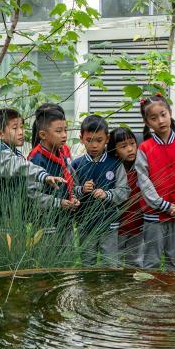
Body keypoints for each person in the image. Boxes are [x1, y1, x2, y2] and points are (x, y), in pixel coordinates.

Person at [134, 94, 175, 272]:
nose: (160, 121)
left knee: (174, 261)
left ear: (170, 113)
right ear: (147, 122)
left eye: (163, 114)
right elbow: (144, 181)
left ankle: (174, 291)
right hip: (154, 215)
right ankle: (151, 291)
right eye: (153, 118)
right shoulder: (145, 148)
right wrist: (162, 205)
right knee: (151, 262)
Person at [72, 114, 129, 267]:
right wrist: (81, 189)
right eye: (89, 140)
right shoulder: (76, 164)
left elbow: (124, 191)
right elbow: (70, 191)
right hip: (85, 224)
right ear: (81, 138)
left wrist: (107, 194)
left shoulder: (115, 164)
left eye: (99, 140)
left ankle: (110, 284)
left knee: (110, 264)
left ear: (107, 139)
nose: (94, 145)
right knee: (87, 264)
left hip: (109, 223)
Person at [28, 105, 81, 238]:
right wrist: (59, 202)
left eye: (65, 130)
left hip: (65, 221)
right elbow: (31, 195)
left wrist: (73, 198)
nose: (64, 135)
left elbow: (70, 181)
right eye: (58, 131)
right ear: (43, 135)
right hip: (46, 227)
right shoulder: (36, 159)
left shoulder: (61, 152)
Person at [108, 126, 143, 267]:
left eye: (132, 144)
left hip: (138, 224)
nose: (130, 149)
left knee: (135, 263)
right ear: (114, 151)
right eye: (123, 146)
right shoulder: (111, 170)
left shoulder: (142, 168)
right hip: (116, 226)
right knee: (113, 263)